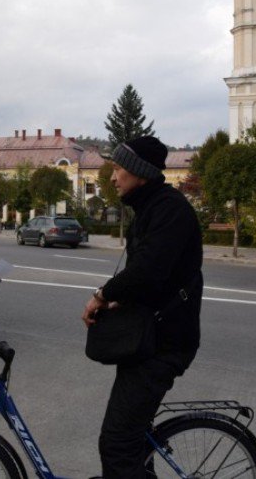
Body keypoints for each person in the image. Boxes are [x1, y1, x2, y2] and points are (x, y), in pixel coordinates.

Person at [81, 136, 203, 478]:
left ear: (140, 173)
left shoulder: (169, 210)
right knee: (132, 444)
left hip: (163, 344)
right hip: (147, 339)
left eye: (118, 169)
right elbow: (151, 279)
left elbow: (149, 268)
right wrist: (122, 296)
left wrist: (102, 294)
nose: (112, 177)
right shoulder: (151, 208)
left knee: (117, 443)